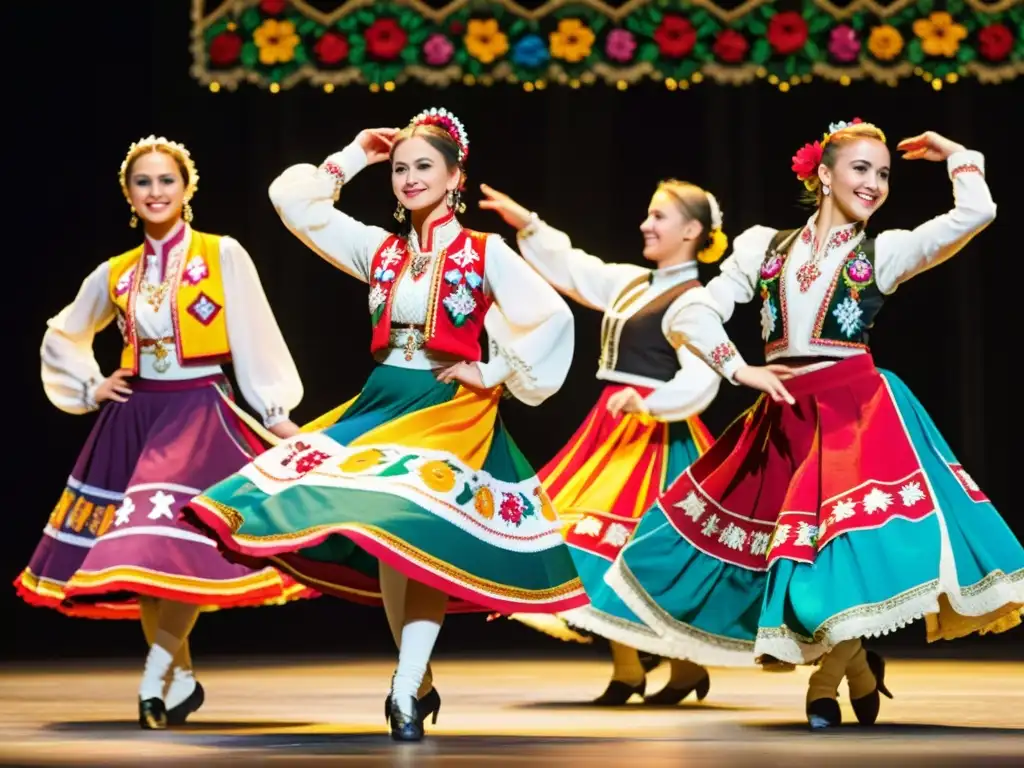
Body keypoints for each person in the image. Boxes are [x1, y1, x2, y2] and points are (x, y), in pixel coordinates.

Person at [606, 120, 1023, 729]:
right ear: (824, 175)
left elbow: (975, 212)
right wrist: (737, 368)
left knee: (834, 557)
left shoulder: (886, 251)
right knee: (787, 556)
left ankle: (825, 683)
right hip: (784, 415)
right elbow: (694, 311)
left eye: (883, 174)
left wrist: (958, 154)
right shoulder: (762, 248)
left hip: (856, 412)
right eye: (861, 169)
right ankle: (857, 670)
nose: (874, 183)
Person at [187, 107, 585, 742]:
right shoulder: (380, 249)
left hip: (449, 408)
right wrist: (353, 155)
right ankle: (417, 679)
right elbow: (292, 200)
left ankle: (403, 687)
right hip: (381, 400)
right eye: (400, 168)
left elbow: (551, 318)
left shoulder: (486, 252)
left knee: (414, 525)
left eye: (423, 166)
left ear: (456, 176)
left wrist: (494, 369)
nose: (408, 178)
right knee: (390, 544)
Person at [15, 136, 310, 729]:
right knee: (150, 556)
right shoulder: (116, 271)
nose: (156, 192)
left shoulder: (222, 254)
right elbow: (64, 331)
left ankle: (157, 674)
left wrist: (274, 412)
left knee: (168, 546)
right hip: (138, 417)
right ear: (129, 194)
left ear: (187, 188)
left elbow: (255, 333)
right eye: (144, 182)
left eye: (166, 181)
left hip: (199, 413)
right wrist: (91, 385)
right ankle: (178, 679)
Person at [477, 181, 726, 705]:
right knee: (587, 542)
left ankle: (683, 669)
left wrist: (652, 404)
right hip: (611, 431)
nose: (646, 224)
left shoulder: (694, 300)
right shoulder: (634, 283)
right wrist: (529, 225)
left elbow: (704, 371)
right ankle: (629, 667)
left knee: (646, 552)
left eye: (659, 216)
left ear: (692, 231)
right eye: (648, 214)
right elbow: (576, 268)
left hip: (658, 438)